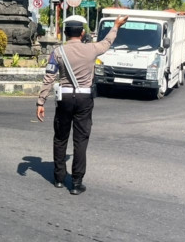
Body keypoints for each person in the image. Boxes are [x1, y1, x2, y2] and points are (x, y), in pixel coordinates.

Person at [36, 13, 128, 195]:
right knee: (80, 140)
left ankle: (59, 179)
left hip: (64, 98)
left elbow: (49, 77)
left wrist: (41, 101)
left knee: (61, 138)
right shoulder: (92, 49)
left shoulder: (57, 52)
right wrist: (116, 25)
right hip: (85, 99)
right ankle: (76, 183)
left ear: (65, 32)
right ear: (83, 32)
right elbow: (108, 41)